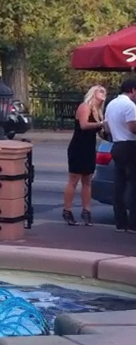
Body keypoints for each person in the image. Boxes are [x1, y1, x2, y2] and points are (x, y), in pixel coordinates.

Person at [62, 85, 106, 226]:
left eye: (104, 91)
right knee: (74, 179)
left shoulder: (98, 111)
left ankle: (86, 211)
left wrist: (106, 130)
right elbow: (84, 125)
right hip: (78, 146)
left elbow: (99, 131)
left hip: (89, 147)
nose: (103, 93)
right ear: (93, 93)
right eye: (100, 90)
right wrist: (101, 123)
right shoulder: (85, 107)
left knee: (87, 180)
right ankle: (67, 210)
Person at [104, 78, 136, 232]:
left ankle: (120, 221)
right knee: (133, 185)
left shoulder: (111, 104)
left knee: (119, 185)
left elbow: (107, 128)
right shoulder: (129, 105)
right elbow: (133, 128)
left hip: (117, 144)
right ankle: (133, 223)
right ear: (133, 90)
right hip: (130, 145)